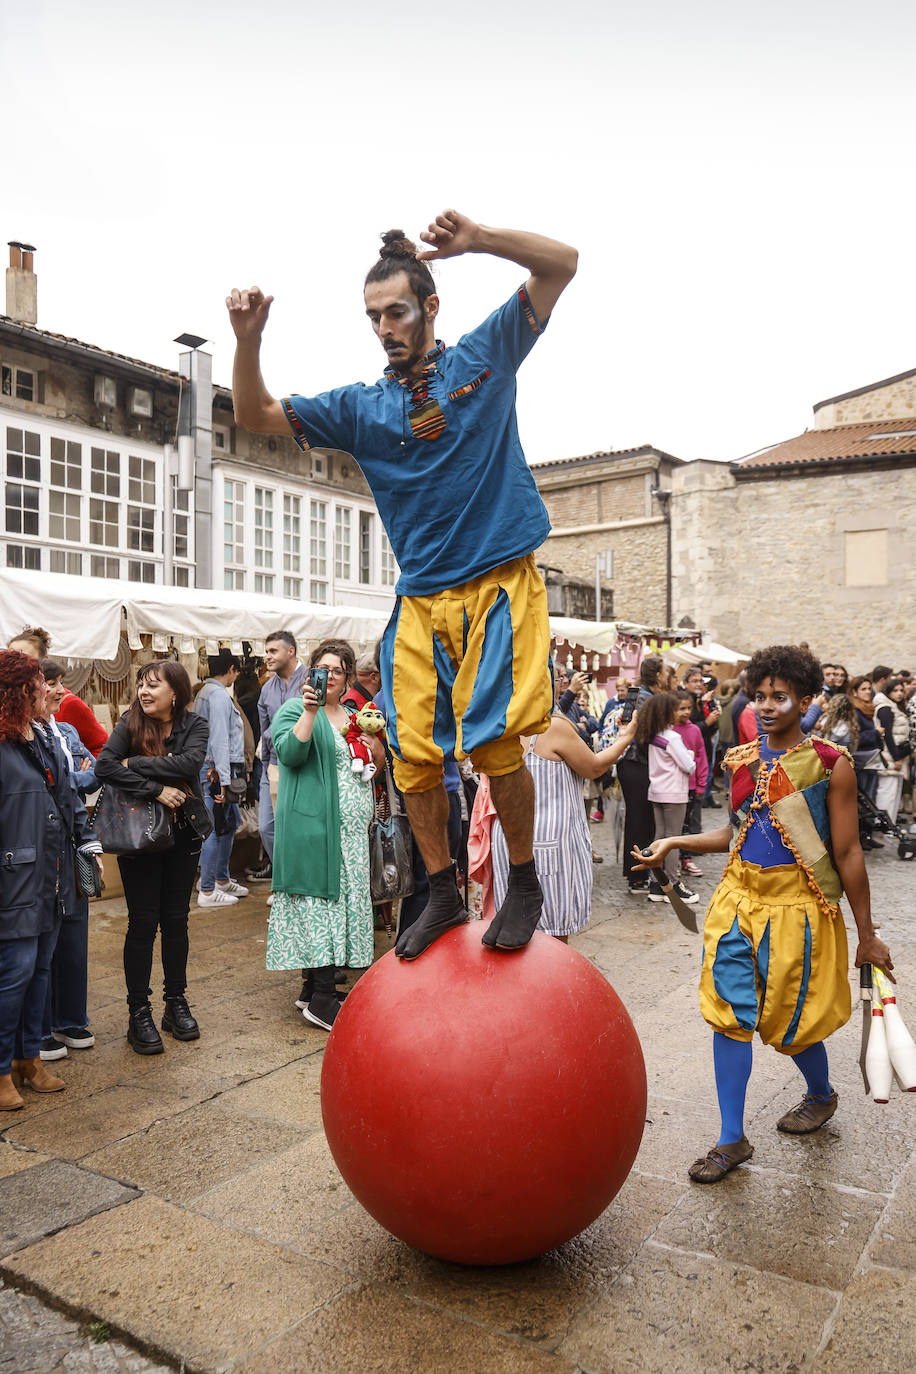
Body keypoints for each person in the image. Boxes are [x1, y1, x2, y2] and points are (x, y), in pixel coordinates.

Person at [228, 208, 577, 961]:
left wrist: (480, 240)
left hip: (498, 583)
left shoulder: (483, 358)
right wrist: (247, 341)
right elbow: (253, 412)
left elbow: (561, 262)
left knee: (489, 740)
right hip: (419, 596)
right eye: (373, 316)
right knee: (413, 753)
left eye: (396, 311)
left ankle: (522, 880)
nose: (384, 326)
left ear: (429, 308)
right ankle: (444, 889)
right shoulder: (361, 406)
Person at [633, 645, 893, 1183]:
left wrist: (867, 935)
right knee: (729, 1015)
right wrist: (674, 841)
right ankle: (731, 1138)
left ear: (806, 699)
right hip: (737, 903)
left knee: (792, 1024)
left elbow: (847, 854)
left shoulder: (829, 764)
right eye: (760, 696)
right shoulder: (744, 759)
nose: (768, 705)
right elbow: (736, 832)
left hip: (799, 909)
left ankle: (820, 1094)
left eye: (780, 696)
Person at [0, 651, 103, 1110]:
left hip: (54, 876)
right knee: (14, 974)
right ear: (22, 692)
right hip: (14, 879)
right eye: (44, 684)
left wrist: (87, 846)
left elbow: (68, 797)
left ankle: (27, 1059)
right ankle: (1, 1069)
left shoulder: (46, 736)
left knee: (40, 969)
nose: (54, 690)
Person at [267, 640, 385, 1031]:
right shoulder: (295, 709)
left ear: (348, 677)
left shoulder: (354, 714)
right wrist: (309, 711)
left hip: (350, 837)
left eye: (337, 671)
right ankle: (321, 999)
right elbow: (289, 754)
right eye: (323, 669)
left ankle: (312, 990)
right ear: (310, 672)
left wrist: (375, 750)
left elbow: (375, 766)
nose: (329, 676)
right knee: (320, 908)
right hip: (315, 829)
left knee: (336, 908)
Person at [95, 662, 210, 1055]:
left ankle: (175, 1002)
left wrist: (136, 763)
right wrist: (156, 790)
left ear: (174, 693)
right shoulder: (129, 721)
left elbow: (189, 764)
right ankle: (138, 1012)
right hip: (138, 837)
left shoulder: (194, 725)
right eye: (141, 685)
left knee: (176, 920)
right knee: (143, 923)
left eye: (153, 686)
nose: (144, 692)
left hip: (183, 834)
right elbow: (104, 765)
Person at [487, 680, 639, 940]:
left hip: (508, 840)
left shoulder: (495, 723)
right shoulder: (551, 728)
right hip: (547, 843)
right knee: (551, 938)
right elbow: (592, 767)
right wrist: (625, 738)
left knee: (514, 933)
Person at [37, 661, 99, 1062]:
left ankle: (71, 1016)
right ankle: (39, 1028)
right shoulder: (21, 738)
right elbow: (53, 782)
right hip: (42, 845)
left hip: (75, 841)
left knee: (75, 934)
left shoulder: (67, 731)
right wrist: (70, 775)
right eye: (53, 684)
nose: (61, 691)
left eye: (61, 683)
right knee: (43, 939)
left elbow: (93, 775)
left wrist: (71, 777)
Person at [193, 651, 249, 908]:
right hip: (216, 770)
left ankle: (220, 879)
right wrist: (224, 779)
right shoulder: (217, 695)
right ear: (231, 669)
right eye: (236, 672)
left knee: (228, 822)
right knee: (216, 826)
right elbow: (219, 738)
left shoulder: (206, 693)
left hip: (213, 768)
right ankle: (207, 888)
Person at [255, 631, 306, 883]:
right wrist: (264, 769)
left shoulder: (311, 681)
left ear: (291, 651)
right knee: (266, 827)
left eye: (273, 651)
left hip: (305, 766)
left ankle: (293, 882)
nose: (267, 657)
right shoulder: (266, 690)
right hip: (274, 766)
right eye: (266, 652)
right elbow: (264, 734)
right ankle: (285, 876)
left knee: (297, 828)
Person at [639, 693, 699, 906]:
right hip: (674, 793)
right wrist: (690, 755)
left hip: (657, 791)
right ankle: (672, 884)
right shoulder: (672, 738)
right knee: (673, 839)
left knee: (660, 837)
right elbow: (689, 766)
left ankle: (656, 883)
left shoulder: (654, 735)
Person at [617, 654, 666, 894]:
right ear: (658, 675)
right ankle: (636, 876)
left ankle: (637, 872)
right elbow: (644, 736)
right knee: (639, 820)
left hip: (634, 764)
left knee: (640, 819)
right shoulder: (647, 699)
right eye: (666, 672)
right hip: (637, 764)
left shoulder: (645, 696)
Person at [674, 688, 708, 880]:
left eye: (688, 708)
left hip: (691, 786)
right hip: (673, 786)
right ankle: (672, 858)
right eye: (681, 708)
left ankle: (685, 858)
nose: (685, 712)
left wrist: (701, 784)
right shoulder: (668, 730)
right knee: (674, 825)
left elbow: (701, 757)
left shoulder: (694, 730)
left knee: (687, 824)